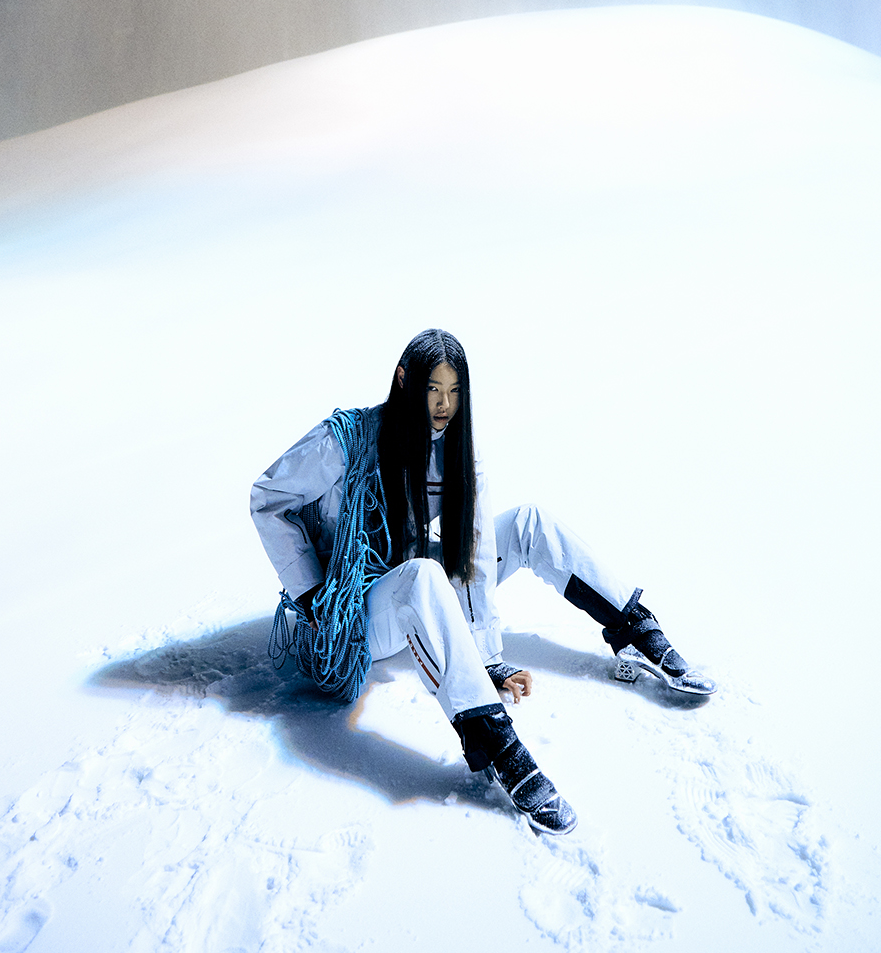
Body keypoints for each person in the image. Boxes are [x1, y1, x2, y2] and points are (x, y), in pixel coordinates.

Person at [251, 329, 715, 836]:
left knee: (527, 523)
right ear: (403, 380)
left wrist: (487, 656)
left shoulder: (456, 452)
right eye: (433, 389)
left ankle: (635, 629)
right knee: (423, 576)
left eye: (454, 392)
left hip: (408, 577)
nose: (444, 405)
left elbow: (470, 553)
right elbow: (268, 499)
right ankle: (493, 741)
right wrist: (312, 594)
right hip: (351, 616)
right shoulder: (343, 441)